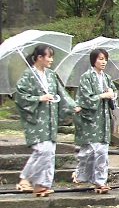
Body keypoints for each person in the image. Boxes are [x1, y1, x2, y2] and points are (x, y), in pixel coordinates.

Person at [15, 44, 81, 197]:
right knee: (42, 150)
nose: (51, 60)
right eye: (49, 56)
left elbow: (61, 93)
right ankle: (24, 179)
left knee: (50, 151)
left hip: (50, 119)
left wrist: (73, 106)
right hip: (36, 119)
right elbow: (21, 97)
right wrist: (39, 98)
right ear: (40, 57)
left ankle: (41, 184)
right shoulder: (28, 75)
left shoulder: (50, 75)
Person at [72, 48, 118, 193]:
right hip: (90, 118)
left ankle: (100, 181)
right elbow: (85, 97)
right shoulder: (87, 77)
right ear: (93, 60)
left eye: (105, 59)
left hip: (103, 118)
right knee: (89, 150)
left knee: (102, 150)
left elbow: (114, 92)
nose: (103, 62)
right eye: (100, 59)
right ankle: (80, 174)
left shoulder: (107, 78)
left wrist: (112, 94)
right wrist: (102, 96)